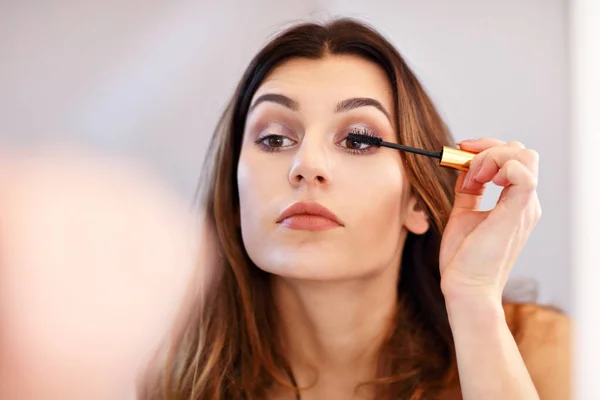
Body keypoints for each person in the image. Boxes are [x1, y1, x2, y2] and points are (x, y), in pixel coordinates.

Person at [145, 18, 570, 400]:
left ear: (418, 200)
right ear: (235, 192)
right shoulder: (159, 373)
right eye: (274, 139)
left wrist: (475, 302)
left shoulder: (543, 350)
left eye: (359, 140)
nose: (306, 166)